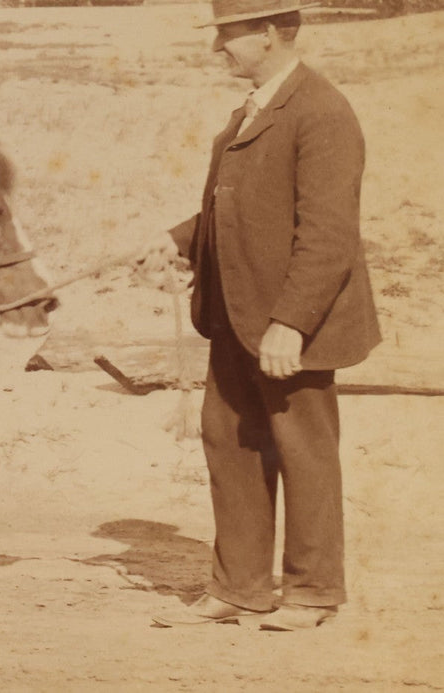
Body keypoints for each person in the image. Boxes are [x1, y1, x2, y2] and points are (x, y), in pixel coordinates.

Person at [142, 0, 381, 631]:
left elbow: (329, 235)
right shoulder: (247, 114)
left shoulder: (322, 112)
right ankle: (239, 588)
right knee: (231, 443)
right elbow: (243, 205)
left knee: (302, 450)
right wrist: (179, 237)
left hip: (286, 327)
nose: (216, 48)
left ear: (270, 34)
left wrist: (292, 323)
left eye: (227, 36)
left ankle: (312, 591)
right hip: (233, 315)